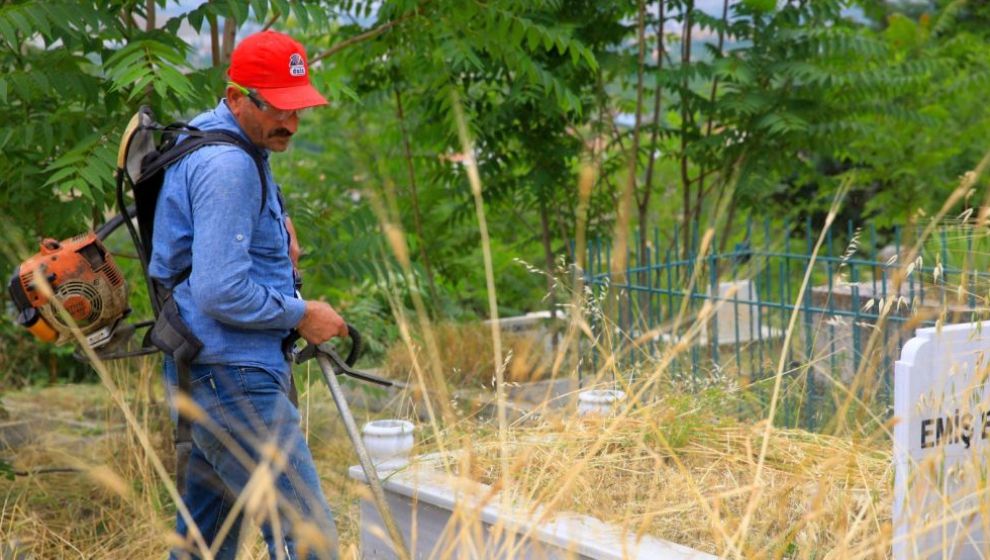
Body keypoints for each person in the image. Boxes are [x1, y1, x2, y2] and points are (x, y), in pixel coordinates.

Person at [149, 31, 345, 560]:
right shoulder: (228, 164)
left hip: (207, 370)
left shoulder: (231, 140)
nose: (293, 124)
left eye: (299, 109)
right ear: (237, 96)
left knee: (203, 546)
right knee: (309, 541)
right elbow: (220, 290)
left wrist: (275, 231)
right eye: (280, 109)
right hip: (232, 378)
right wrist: (303, 314)